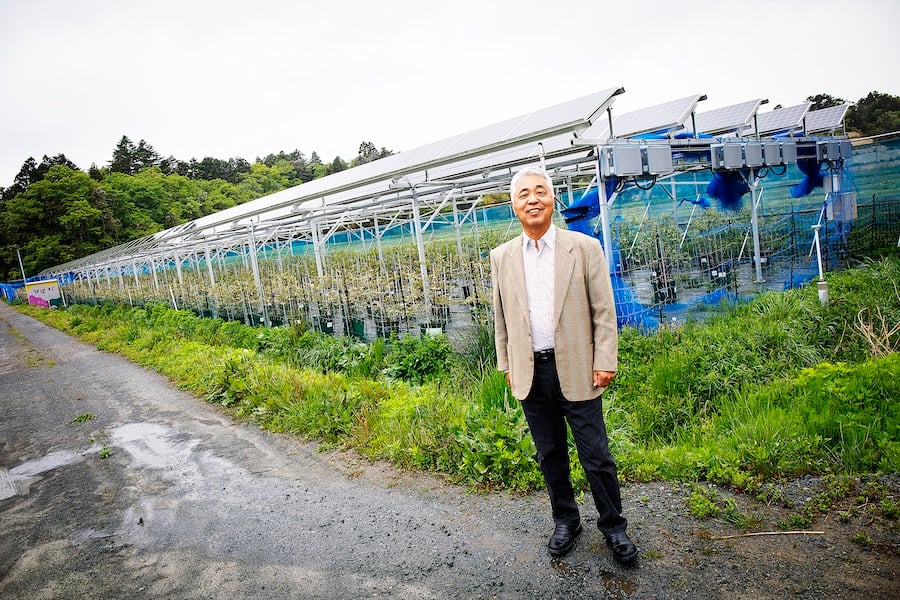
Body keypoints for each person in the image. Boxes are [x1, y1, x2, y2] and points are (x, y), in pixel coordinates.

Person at [490, 165, 637, 565]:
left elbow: (604, 311)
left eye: (540, 191)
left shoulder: (583, 248)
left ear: (552, 200)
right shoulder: (502, 257)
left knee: (595, 453)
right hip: (530, 372)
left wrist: (605, 359)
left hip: (578, 366)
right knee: (549, 453)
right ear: (514, 206)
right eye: (523, 194)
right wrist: (507, 363)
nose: (532, 199)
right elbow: (500, 317)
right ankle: (566, 521)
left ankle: (614, 527)